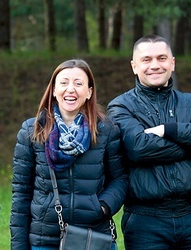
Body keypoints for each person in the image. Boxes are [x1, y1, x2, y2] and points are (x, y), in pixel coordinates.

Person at [107, 34, 191, 249]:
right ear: (134, 66)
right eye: (146, 59)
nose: (155, 65)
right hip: (146, 221)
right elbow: (139, 148)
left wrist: (168, 130)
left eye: (162, 58)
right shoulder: (120, 107)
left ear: (172, 63)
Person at [10, 59, 128, 250]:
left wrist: (103, 207)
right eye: (64, 83)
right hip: (45, 240)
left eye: (78, 83)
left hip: (93, 238)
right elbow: (21, 194)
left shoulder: (107, 130)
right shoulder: (32, 131)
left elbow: (120, 179)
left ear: (89, 92)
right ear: (54, 90)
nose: (70, 89)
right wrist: (18, 246)